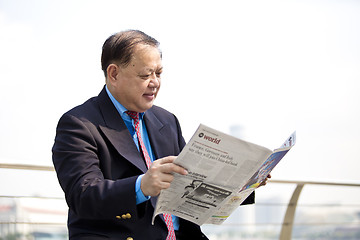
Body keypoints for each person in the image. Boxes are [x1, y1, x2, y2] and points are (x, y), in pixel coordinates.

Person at [52, 29, 265, 240]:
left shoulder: (166, 120)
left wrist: (243, 184)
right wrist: (141, 186)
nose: (155, 82)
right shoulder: (79, 124)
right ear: (114, 74)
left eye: (159, 73)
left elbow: (189, 184)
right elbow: (83, 196)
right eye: (145, 75)